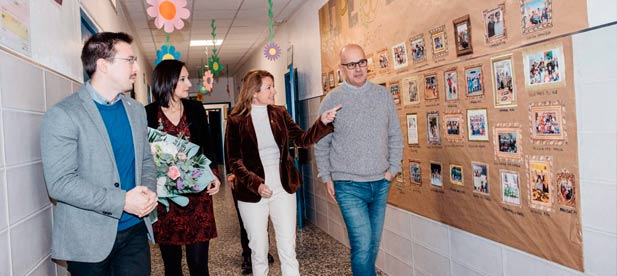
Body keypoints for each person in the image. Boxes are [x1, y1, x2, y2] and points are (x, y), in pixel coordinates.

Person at [40, 32, 157, 275]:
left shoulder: (136, 110)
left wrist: (148, 192)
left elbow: (145, 160)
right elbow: (60, 183)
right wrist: (123, 200)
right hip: (87, 238)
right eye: (130, 60)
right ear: (103, 65)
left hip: (134, 231)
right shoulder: (64, 114)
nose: (135, 68)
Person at [225, 69, 340, 276]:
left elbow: (302, 139)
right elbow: (234, 160)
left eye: (273, 86)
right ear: (254, 92)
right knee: (258, 250)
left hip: (283, 188)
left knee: (288, 247)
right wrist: (256, 184)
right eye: (269, 87)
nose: (274, 91)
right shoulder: (235, 120)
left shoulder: (280, 113)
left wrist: (321, 122)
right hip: (252, 193)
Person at [315, 44, 403, 276]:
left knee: (372, 245)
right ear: (342, 69)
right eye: (351, 64)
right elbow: (321, 143)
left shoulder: (382, 95)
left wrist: (392, 169)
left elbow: (395, 134)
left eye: (361, 62)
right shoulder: (331, 100)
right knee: (363, 246)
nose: (358, 69)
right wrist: (326, 177)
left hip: (381, 182)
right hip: (348, 186)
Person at [145, 59, 221, 276]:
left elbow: (207, 147)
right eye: (183, 79)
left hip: (198, 197)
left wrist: (213, 175)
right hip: (166, 201)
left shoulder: (196, 109)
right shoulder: (148, 113)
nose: (189, 84)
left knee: (199, 265)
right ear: (168, 82)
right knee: (172, 266)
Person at [227, 173, 276, 275]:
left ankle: (263, 252)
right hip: (240, 178)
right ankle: (247, 255)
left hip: (262, 176)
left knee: (263, 220)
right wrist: (231, 173)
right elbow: (233, 158)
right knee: (244, 221)